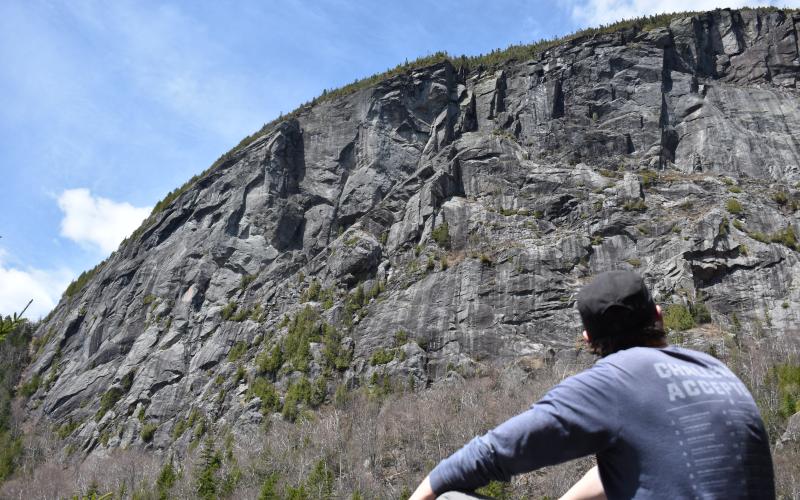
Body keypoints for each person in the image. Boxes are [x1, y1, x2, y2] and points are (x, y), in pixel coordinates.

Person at [410, 270, 775, 499]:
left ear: (588, 339)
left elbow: (492, 453)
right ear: (659, 316)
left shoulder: (613, 382)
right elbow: (649, 459)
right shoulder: (716, 369)